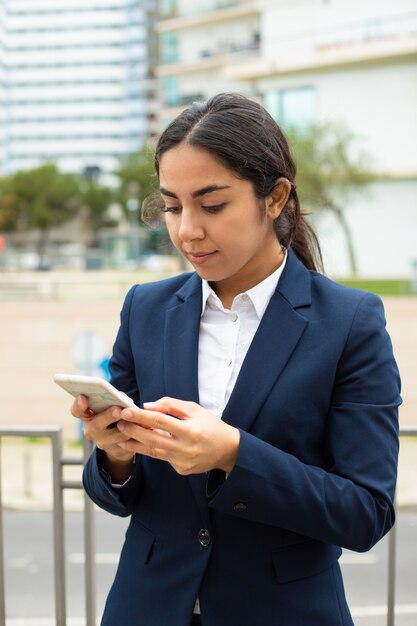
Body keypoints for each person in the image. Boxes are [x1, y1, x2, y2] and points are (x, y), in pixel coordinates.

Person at [72, 93, 401, 626]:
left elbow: (365, 512)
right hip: (146, 608)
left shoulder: (350, 322)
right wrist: (115, 457)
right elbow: (116, 496)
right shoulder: (146, 308)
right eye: (173, 206)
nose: (187, 231)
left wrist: (233, 454)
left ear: (275, 199)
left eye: (212, 204)